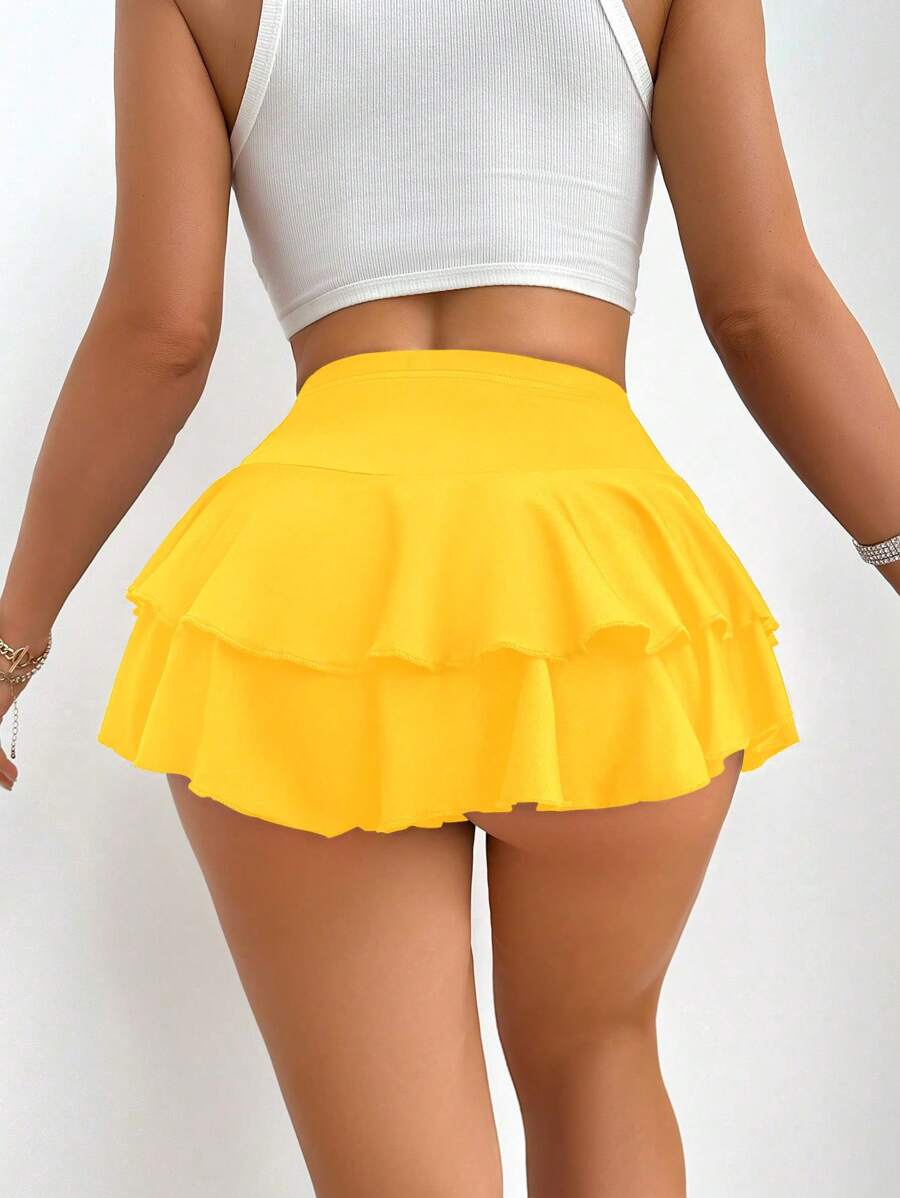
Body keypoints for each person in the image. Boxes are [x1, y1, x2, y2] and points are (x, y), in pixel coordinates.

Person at [2, 1, 898, 1195]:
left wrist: (13, 638)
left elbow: (160, 333)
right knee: (598, 1061)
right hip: (592, 590)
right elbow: (762, 304)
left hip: (313, 600)